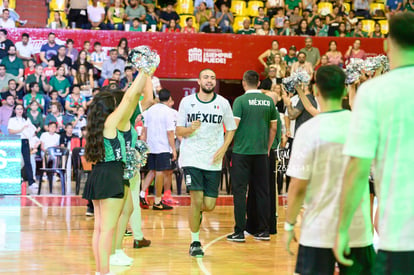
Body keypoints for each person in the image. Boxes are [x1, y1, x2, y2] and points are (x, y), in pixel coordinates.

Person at [334, 12, 414, 275]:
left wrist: (343, 228)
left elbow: (357, 169)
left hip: (400, 236)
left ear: (386, 43)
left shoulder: (373, 92)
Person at [285, 65, 374, 275]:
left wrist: (289, 225)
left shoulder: (308, 130)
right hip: (358, 232)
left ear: (316, 91)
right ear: (345, 90)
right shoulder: (362, 125)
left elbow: (297, 186)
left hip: (317, 232)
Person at [82, 61, 151, 274]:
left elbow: (131, 100)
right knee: (107, 231)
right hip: (111, 174)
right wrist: (145, 71)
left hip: (98, 175)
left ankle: (101, 270)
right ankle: (104, 271)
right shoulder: (111, 122)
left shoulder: (99, 125)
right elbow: (130, 98)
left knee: (100, 229)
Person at [176, 68, 236, 257]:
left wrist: (224, 148)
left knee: (209, 205)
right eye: (206, 77)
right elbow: (179, 131)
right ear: (199, 81)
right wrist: (189, 129)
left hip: (213, 160)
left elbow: (231, 129)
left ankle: (197, 213)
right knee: (196, 199)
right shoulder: (187, 102)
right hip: (191, 157)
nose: (209, 81)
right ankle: (195, 242)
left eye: (212, 78)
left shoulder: (223, 103)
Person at [227, 70, 277, 242]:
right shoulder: (268, 101)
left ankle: (239, 232)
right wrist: (267, 148)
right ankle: (263, 231)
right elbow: (274, 128)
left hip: (241, 153)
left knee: (240, 192)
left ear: (243, 82)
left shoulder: (240, 101)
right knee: (263, 192)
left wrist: (225, 146)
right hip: (262, 153)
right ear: (258, 83)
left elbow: (233, 127)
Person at [140, 89, 176, 210]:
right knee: (160, 173)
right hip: (162, 147)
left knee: (152, 171)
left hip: (151, 146)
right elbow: (170, 132)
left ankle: (142, 194)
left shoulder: (150, 110)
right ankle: (157, 201)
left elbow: (145, 130)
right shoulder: (168, 112)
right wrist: (174, 149)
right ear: (169, 98)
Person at [8, 103, 37, 192]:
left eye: (21, 109)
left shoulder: (26, 119)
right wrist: (21, 129)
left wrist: (30, 131)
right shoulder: (12, 120)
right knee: (17, 161)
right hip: (16, 140)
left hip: (25, 141)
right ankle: (16, 179)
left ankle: (31, 182)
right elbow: (10, 131)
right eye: (18, 109)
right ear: (14, 110)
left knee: (27, 161)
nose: (20, 110)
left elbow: (33, 129)